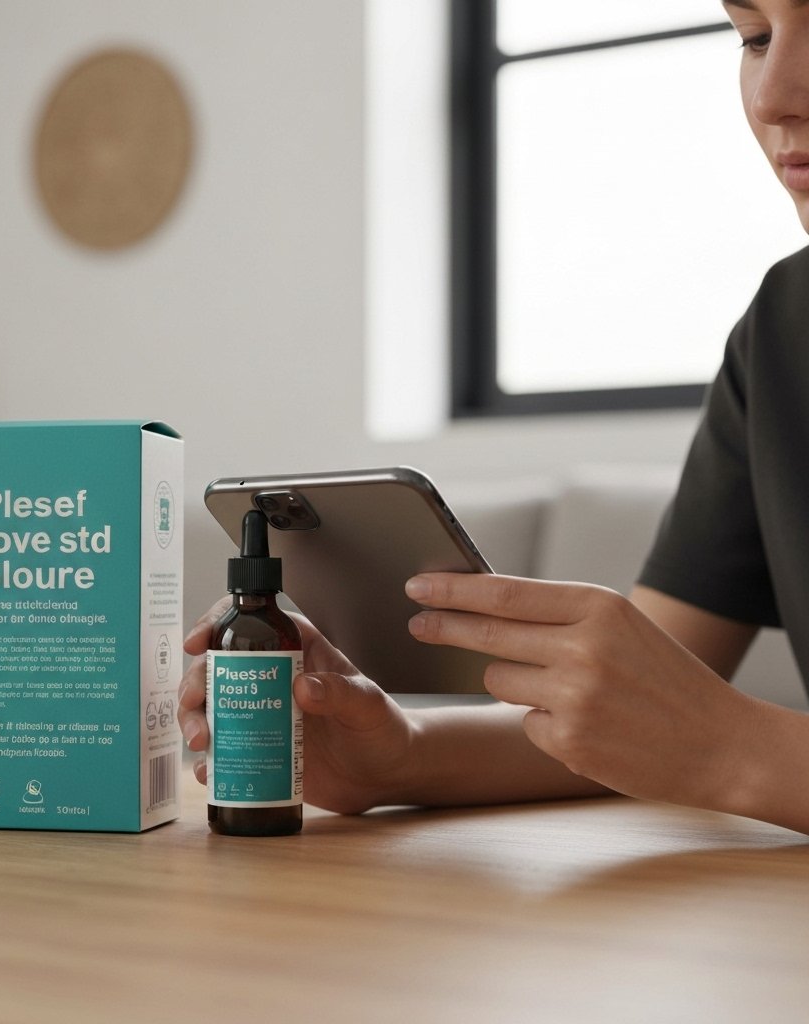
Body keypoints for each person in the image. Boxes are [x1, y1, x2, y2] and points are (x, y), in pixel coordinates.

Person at [178, 0, 809, 835]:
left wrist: (737, 752)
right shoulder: (782, 331)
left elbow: (706, 740)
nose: (774, 94)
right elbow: (639, 716)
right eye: (755, 37)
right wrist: (395, 755)